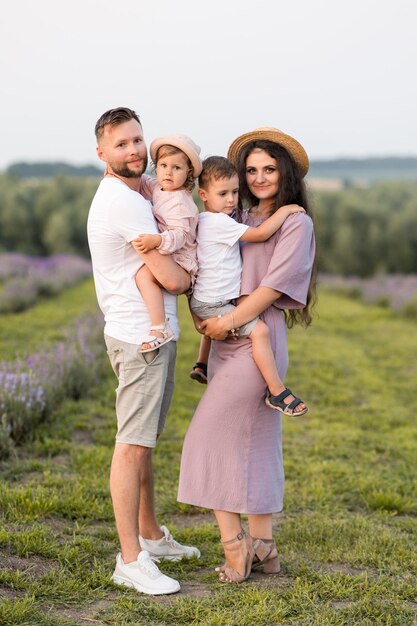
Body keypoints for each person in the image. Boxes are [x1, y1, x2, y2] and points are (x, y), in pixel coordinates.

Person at [178, 127, 316, 583]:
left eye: (269, 169)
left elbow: (274, 286)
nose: (258, 177)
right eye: (251, 169)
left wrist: (227, 322)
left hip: (255, 336)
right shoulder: (235, 213)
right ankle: (264, 547)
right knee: (255, 445)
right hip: (225, 338)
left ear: (285, 172)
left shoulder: (294, 221)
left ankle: (235, 548)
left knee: (206, 437)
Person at [87, 107, 200, 597]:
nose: (134, 150)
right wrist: (192, 276)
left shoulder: (141, 193)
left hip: (153, 334)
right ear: (102, 154)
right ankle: (130, 560)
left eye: (138, 140)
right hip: (139, 337)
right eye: (121, 144)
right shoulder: (124, 204)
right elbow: (174, 278)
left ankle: (150, 536)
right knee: (132, 445)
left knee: (145, 442)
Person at [189, 156, 308, 416]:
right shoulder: (222, 222)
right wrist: (286, 210)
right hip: (219, 303)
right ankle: (277, 392)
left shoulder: (210, 219)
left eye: (234, 192)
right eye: (223, 194)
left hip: (211, 301)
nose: (231, 199)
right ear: (203, 195)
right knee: (260, 333)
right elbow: (261, 234)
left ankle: (201, 364)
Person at [133, 134, 201, 353]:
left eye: (176, 168)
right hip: (171, 256)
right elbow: (141, 181)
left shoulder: (180, 202)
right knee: (142, 274)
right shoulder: (159, 188)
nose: (168, 172)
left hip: (181, 261)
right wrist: (115, 174)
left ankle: (159, 328)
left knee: (144, 275)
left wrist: (157, 240)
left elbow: (179, 235)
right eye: (163, 165)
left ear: (189, 173)